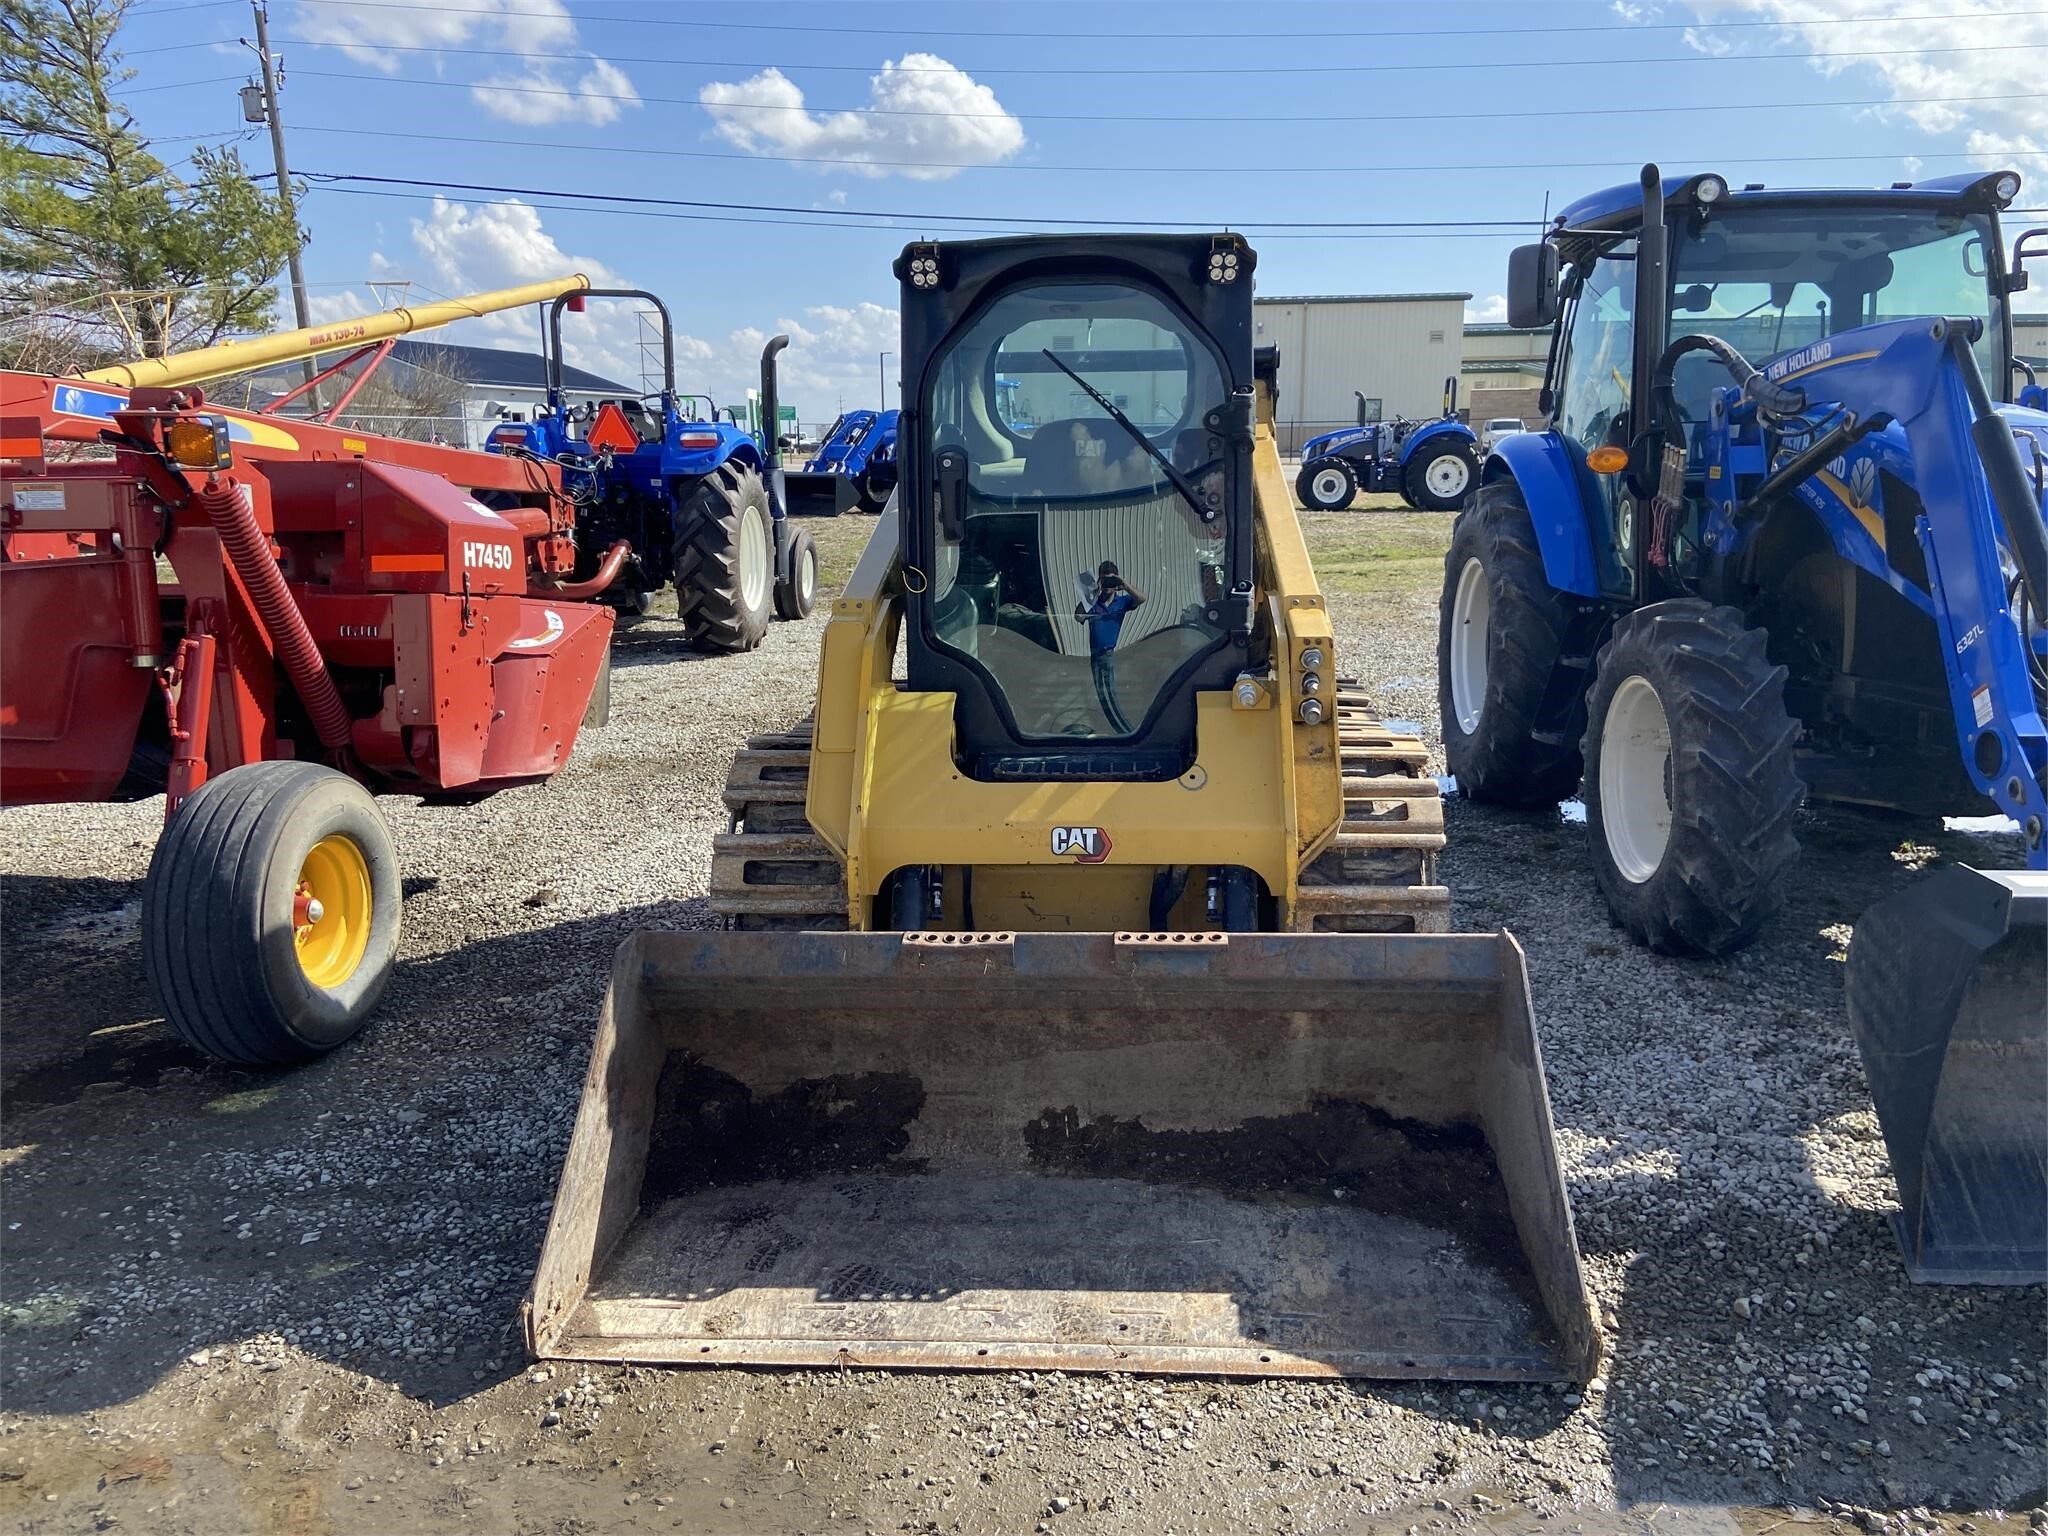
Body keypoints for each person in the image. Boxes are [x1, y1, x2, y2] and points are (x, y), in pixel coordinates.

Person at [1075, 561, 1145, 733]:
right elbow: (1078, 617)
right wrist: (1090, 593)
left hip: (1108, 654)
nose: (1108, 586)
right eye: (1105, 581)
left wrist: (1123, 584)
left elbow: (1141, 598)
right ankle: (1119, 729)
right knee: (1102, 695)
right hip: (1095, 655)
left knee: (1109, 694)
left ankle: (1125, 730)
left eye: (1110, 582)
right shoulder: (1093, 602)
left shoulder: (1121, 602)